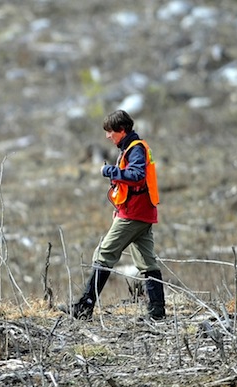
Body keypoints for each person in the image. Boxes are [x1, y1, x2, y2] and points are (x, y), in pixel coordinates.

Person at [65, 109, 165, 320]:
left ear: (121, 130)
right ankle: (157, 312)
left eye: (110, 131)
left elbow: (137, 176)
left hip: (134, 215)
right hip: (141, 212)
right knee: (147, 263)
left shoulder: (135, 149)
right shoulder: (132, 147)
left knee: (103, 254)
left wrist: (110, 171)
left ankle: (85, 307)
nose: (107, 136)